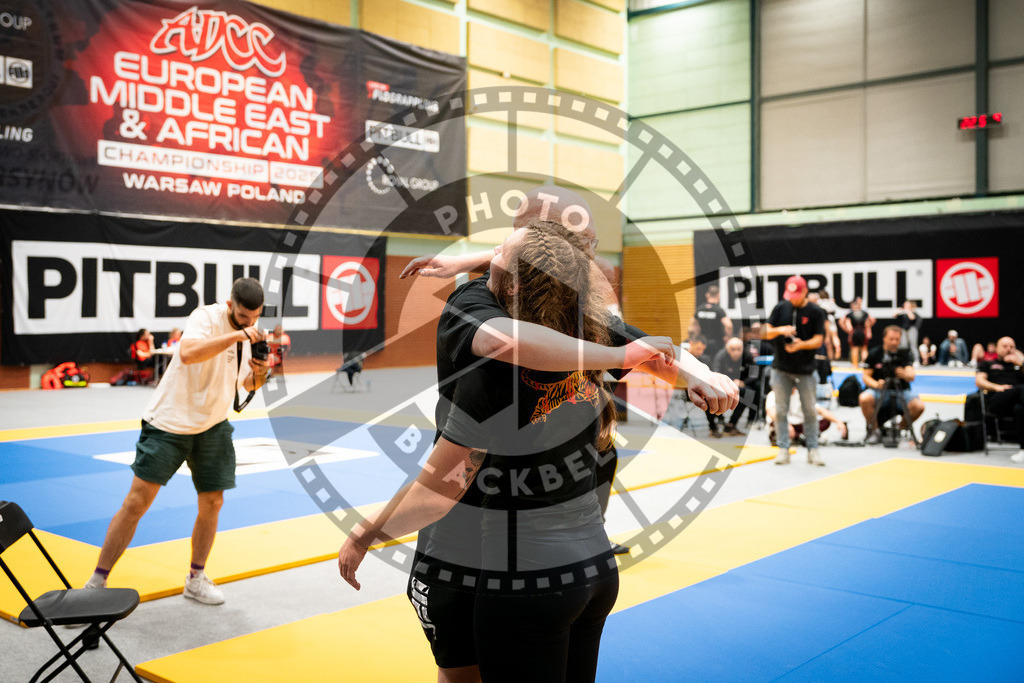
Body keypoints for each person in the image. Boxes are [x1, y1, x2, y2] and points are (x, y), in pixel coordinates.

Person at [339, 222, 737, 682]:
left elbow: (437, 492)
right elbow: (653, 351)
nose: (492, 249)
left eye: (501, 247)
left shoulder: (492, 359)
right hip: (593, 567)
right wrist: (697, 376)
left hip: (522, 573)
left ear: (512, 279)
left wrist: (364, 534)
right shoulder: (586, 327)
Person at [80, 278, 271, 605]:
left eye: (254, 317)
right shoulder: (206, 318)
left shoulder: (251, 333)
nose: (249, 322)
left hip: (213, 425)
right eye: (243, 316)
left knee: (213, 503)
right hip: (169, 423)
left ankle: (196, 578)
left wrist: (262, 370)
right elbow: (188, 353)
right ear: (230, 305)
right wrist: (238, 335)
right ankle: (95, 583)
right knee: (136, 502)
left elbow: (249, 384)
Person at [762, 275, 826, 466]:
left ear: (805, 292)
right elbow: (765, 331)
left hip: (806, 370)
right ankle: (783, 449)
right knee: (781, 411)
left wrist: (801, 345)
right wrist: (780, 330)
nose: (793, 299)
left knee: (810, 411)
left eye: (796, 295)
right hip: (781, 368)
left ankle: (813, 449)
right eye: (790, 296)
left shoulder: (815, 311)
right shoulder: (781, 307)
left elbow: (819, 340)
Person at [860, 326, 925, 444]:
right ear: (884, 338)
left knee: (919, 406)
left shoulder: (904, 353)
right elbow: (865, 376)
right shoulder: (875, 353)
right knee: (864, 398)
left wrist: (904, 374)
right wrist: (877, 384)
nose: (894, 342)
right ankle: (875, 431)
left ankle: (898, 429)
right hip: (880, 391)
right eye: (891, 339)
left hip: (901, 391)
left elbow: (911, 375)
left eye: (897, 339)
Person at [975, 336, 1024, 463]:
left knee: (1020, 409)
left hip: (1017, 402)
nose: (1008, 349)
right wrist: (997, 387)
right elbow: (979, 381)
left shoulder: (1018, 366)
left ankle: (1023, 450)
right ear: (997, 348)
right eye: (1005, 346)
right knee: (1021, 388)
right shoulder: (988, 364)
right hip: (997, 401)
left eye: (1012, 347)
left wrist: (1021, 363)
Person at [765, 387, 848, 448]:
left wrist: (838, 421)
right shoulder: (773, 394)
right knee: (776, 424)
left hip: (800, 424)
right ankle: (802, 437)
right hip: (784, 424)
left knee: (825, 421)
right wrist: (786, 424)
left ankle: (800, 437)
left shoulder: (801, 395)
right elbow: (771, 412)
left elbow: (821, 410)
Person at [713, 337, 757, 436]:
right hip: (724, 384)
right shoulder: (721, 356)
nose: (736, 352)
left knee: (750, 392)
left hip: (741, 384)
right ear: (727, 349)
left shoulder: (748, 355)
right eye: (732, 349)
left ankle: (732, 423)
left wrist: (743, 382)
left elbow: (754, 374)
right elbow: (715, 373)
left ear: (742, 349)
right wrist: (729, 383)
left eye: (738, 349)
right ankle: (719, 421)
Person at [690, 285, 732, 359]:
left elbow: (692, 325)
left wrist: (695, 337)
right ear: (718, 295)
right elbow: (728, 325)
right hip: (716, 343)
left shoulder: (700, 309)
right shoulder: (719, 310)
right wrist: (727, 338)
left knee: (703, 360)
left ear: (707, 295)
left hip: (702, 343)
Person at [839, 297, 874, 367]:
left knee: (854, 349)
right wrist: (868, 331)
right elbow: (870, 322)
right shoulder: (864, 313)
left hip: (854, 332)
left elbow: (847, 324)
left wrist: (849, 331)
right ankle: (864, 363)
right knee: (864, 348)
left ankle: (855, 365)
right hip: (862, 332)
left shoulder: (850, 314)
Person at [816, 290, 842, 361]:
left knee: (827, 340)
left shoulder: (819, 301)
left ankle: (830, 357)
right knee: (834, 336)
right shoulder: (831, 301)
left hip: (825, 320)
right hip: (832, 319)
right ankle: (837, 347)